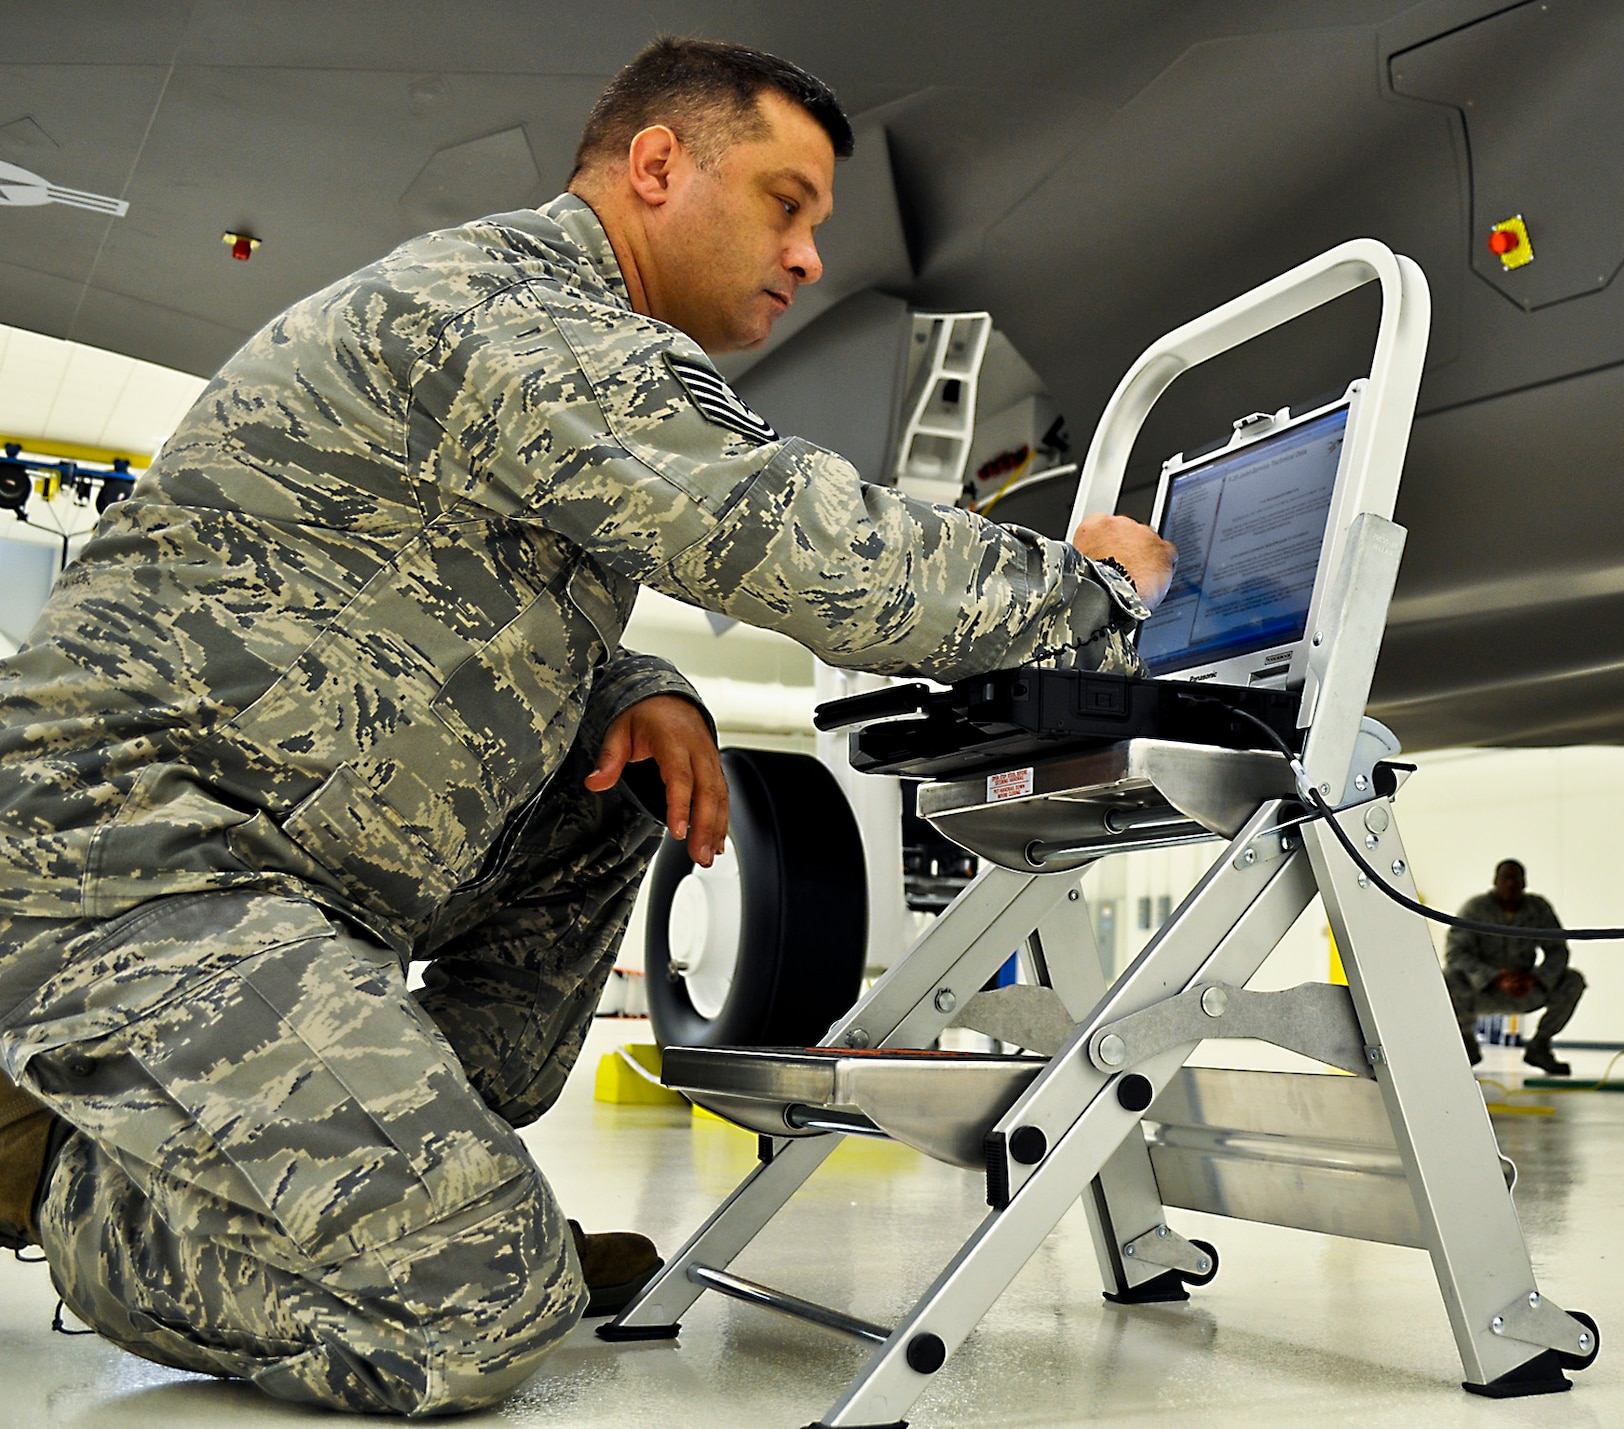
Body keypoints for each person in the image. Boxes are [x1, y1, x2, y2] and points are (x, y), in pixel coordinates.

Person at [0, 36, 1174, 1415]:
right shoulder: (519, 309)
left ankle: (398, 1194)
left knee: (625, 777)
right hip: (134, 871)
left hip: (289, 868)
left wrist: (638, 688)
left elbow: (412, 593)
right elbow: (781, 533)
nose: (806, 256)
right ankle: (56, 1171)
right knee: (483, 1319)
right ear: (659, 166)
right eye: (786, 203)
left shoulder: (538, 331)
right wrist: (1092, 591)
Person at [1443, 860, 1587, 1077]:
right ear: (1495, 881)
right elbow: (1456, 954)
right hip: (1483, 991)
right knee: (1449, 977)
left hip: (1526, 989)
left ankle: (1540, 1045)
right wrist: (1495, 977)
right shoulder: (1475, 909)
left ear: (1524, 883)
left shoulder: (1537, 909)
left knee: (1573, 980)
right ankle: (1466, 1044)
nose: (1511, 885)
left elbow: (1558, 951)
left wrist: (1536, 978)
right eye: (1506, 879)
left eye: (1516, 879)